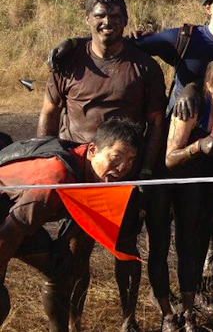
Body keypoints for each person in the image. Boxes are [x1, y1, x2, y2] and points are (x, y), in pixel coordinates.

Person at [38, 0, 166, 332]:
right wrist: (46, 158)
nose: (108, 22)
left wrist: (146, 172)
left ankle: (128, 320)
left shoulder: (144, 66)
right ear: (88, 20)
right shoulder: (67, 62)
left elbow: (156, 123)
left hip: (124, 174)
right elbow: (50, 112)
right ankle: (74, 320)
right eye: (100, 16)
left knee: (125, 248)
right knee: (76, 250)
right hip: (78, 171)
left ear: (125, 20)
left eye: (115, 16)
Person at [0, 117, 143, 332]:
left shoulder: (97, 171)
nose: (124, 167)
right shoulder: (54, 179)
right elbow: (10, 233)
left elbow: (85, 211)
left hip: (15, 216)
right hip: (8, 223)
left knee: (61, 269)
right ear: (93, 150)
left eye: (131, 160)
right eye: (117, 157)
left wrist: (63, 242)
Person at [155, 57, 213, 332]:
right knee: (159, 245)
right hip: (166, 178)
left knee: (190, 245)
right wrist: (198, 146)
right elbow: (170, 158)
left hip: (196, 180)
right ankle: (167, 313)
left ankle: (189, 311)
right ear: (209, 86)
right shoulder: (192, 109)